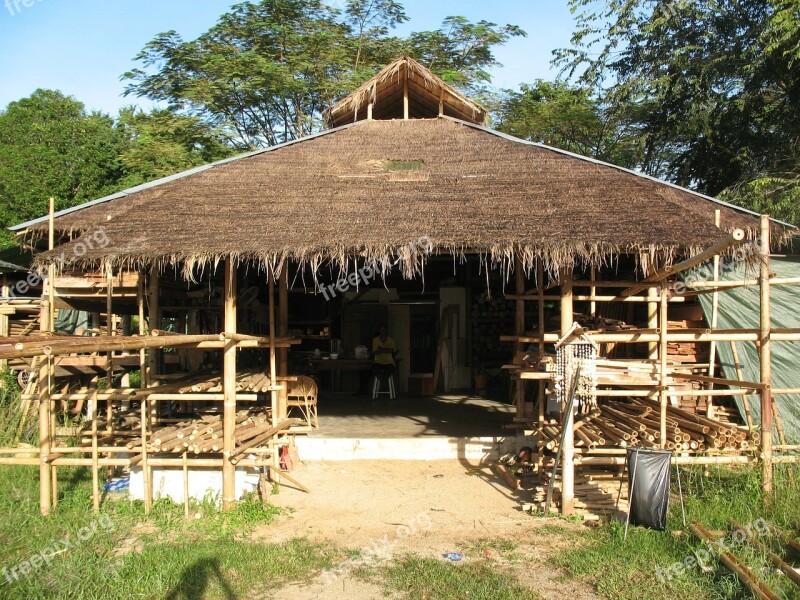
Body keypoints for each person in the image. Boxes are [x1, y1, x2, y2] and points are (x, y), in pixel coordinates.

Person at [372, 324, 397, 396]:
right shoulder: (375, 340)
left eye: (384, 329)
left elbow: (391, 351)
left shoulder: (391, 340)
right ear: (379, 331)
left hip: (389, 362)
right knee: (374, 369)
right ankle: (382, 380)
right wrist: (386, 350)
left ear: (386, 330)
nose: (383, 331)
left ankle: (383, 381)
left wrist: (381, 349)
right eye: (381, 329)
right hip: (378, 362)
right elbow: (375, 352)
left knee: (390, 369)